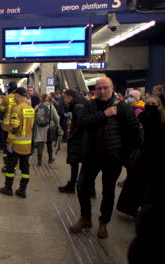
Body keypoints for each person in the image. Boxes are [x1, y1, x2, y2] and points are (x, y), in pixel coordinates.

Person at [69, 77, 142, 239]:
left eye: (106, 88)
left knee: (108, 192)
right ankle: (85, 218)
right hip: (91, 156)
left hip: (112, 158)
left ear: (112, 88)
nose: (102, 91)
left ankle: (104, 223)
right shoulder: (90, 105)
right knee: (81, 187)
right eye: (99, 88)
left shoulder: (123, 108)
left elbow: (135, 132)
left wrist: (124, 155)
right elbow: (82, 123)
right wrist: (104, 114)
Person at [128, 95, 165, 263]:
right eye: (148, 104)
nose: (150, 107)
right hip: (150, 173)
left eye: (154, 105)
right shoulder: (146, 119)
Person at [58, 89, 95, 196]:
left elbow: (80, 123)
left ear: (70, 97)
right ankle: (89, 189)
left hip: (80, 139)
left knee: (75, 162)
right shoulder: (80, 102)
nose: (64, 100)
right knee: (84, 164)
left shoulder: (77, 106)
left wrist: (73, 135)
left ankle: (73, 186)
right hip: (84, 138)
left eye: (65, 97)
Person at [0, 88, 35, 198]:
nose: (14, 97)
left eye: (15, 95)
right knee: (25, 168)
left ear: (19, 95)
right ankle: (22, 190)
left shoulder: (16, 109)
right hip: (27, 145)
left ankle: (8, 188)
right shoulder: (31, 109)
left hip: (15, 145)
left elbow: (14, 128)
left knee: (11, 167)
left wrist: (9, 143)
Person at [33, 94, 61, 166]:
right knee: (49, 143)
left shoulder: (37, 106)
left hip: (39, 128)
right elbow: (57, 118)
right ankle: (50, 158)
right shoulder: (51, 107)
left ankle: (39, 161)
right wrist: (57, 124)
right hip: (49, 127)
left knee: (40, 143)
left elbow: (33, 116)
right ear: (48, 99)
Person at [0, 82, 18, 172]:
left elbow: (2, 112)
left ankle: (6, 165)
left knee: (6, 147)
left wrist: (1, 122)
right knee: (14, 147)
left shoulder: (6, 98)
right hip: (16, 128)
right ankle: (13, 166)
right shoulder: (20, 98)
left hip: (6, 128)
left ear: (9, 88)